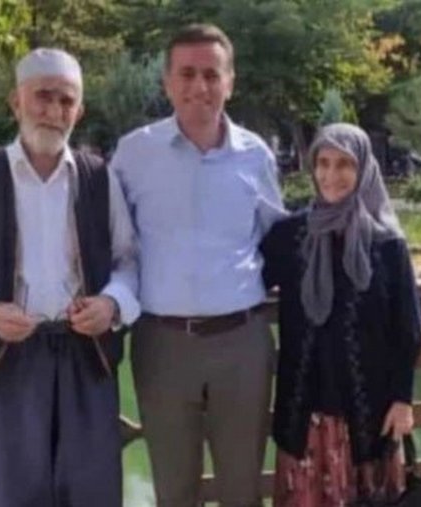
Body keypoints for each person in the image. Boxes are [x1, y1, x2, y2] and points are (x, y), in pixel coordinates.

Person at [0, 48, 139, 507]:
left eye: (67, 101)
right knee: (10, 493)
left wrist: (112, 304)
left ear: (79, 111)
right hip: (7, 357)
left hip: (87, 356)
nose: (54, 111)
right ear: (16, 102)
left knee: (92, 491)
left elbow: (129, 260)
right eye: (43, 96)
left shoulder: (99, 178)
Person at [110, 23, 286, 507]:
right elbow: (112, 244)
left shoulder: (255, 155)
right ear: (167, 83)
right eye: (187, 74)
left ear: (230, 82)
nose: (199, 86)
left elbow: (279, 241)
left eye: (211, 74)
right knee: (174, 490)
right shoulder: (133, 153)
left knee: (242, 489)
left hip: (242, 343)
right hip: (162, 343)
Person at [261, 123, 421, 506]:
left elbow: (408, 329)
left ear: (364, 168)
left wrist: (403, 399)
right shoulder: (290, 236)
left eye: (344, 164)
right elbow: (243, 277)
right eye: (323, 163)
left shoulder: (386, 243)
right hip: (305, 414)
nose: (331, 175)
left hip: (369, 415)